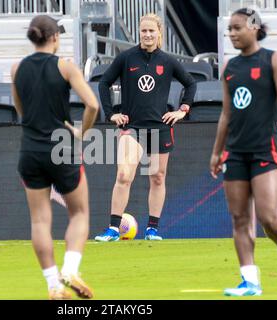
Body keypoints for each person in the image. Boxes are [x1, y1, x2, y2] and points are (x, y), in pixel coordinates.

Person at [209, 8, 277, 296]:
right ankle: (250, 281)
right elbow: (226, 113)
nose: (232, 34)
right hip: (235, 152)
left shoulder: (273, 60)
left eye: (237, 28)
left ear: (254, 27)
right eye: (230, 30)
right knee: (239, 218)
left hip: (266, 148)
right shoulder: (230, 68)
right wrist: (217, 152)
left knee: (267, 216)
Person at [10, 15, 99, 300]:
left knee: (39, 222)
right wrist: (81, 132)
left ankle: (53, 285)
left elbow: (19, 108)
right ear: (55, 38)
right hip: (60, 148)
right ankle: (70, 269)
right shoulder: (65, 66)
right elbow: (93, 105)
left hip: (30, 150)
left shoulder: (17, 68)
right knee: (80, 213)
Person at [94, 13, 196, 242]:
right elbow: (103, 82)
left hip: (160, 127)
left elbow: (190, 84)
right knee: (123, 175)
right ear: (139, 33)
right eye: (143, 31)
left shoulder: (167, 61)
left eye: (151, 31)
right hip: (132, 127)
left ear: (159, 32)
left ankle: (152, 229)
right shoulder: (126, 58)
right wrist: (111, 114)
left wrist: (182, 110)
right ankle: (112, 229)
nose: (147, 35)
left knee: (157, 177)